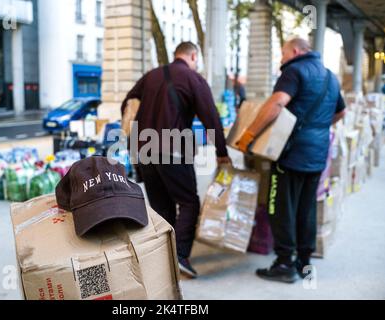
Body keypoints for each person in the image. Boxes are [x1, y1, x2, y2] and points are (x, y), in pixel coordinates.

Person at [236, 38, 346, 283]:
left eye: (283, 54)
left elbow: (277, 103)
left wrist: (249, 136)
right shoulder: (330, 76)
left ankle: (285, 263)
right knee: (306, 207)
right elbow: (341, 112)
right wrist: (316, 129)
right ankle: (304, 262)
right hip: (317, 155)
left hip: (291, 154)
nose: (281, 59)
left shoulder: (294, 70)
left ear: (295, 51)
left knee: (280, 206)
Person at [121, 42, 231, 278]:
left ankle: (163, 257)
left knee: (162, 207)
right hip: (173, 150)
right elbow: (211, 118)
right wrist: (222, 152)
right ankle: (180, 255)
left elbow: (128, 103)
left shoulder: (150, 76)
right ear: (193, 56)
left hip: (142, 151)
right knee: (189, 202)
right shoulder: (193, 79)